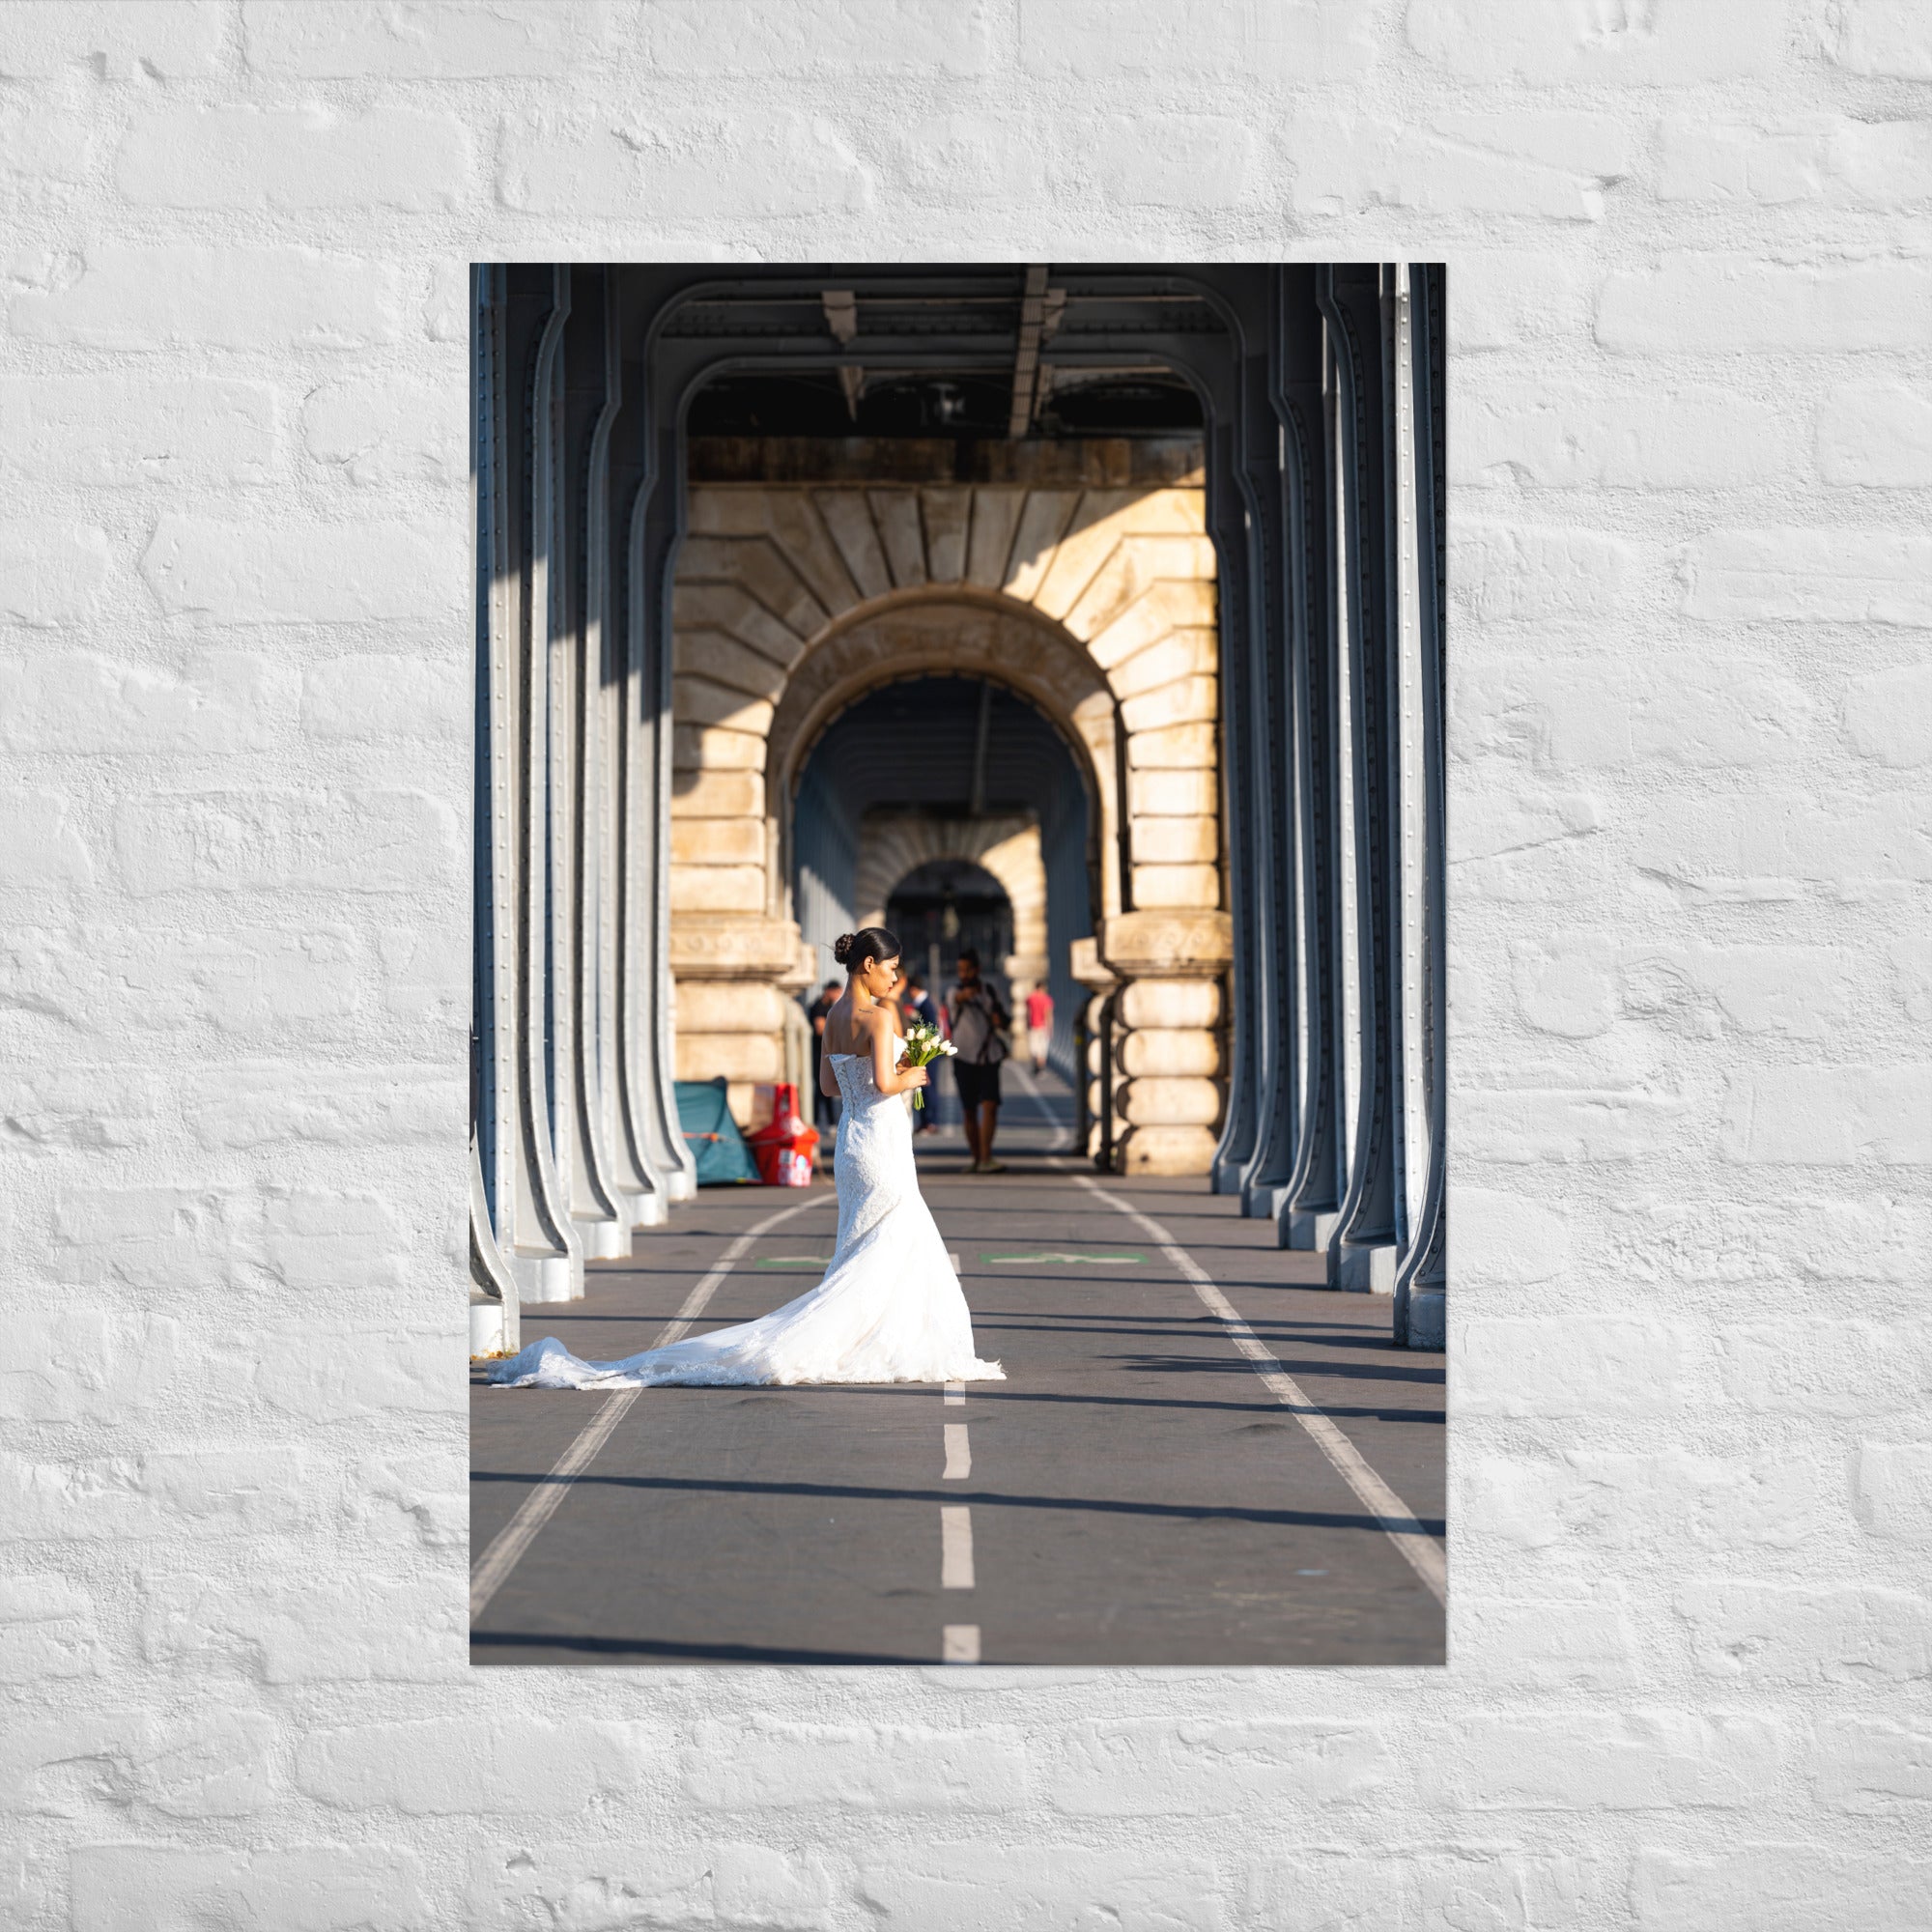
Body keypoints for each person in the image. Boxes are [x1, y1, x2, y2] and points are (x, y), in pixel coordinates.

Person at [486, 926, 1004, 1390]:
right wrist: (911, 1073)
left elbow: (829, 1085)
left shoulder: (834, 1017)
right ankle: (878, 1338)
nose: (896, 976)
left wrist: (880, 1078)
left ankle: (860, 1333)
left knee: (865, 1244)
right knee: (893, 1238)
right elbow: (889, 1083)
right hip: (883, 1147)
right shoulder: (878, 1016)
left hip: (853, 1143)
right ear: (869, 965)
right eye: (891, 967)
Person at [948, 948, 1009, 1175]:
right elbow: (955, 999)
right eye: (960, 970)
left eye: (967, 970)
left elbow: (1004, 1021)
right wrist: (966, 995)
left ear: (977, 970)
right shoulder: (954, 991)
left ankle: (986, 1156)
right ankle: (976, 1157)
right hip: (963, 1057)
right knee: (969, 1110)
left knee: (990, 1106)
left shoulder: (990, 991)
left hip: (988, 1057)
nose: (963, 974)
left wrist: (999, 1019)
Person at [902, 973, 942, 1134]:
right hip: (922, 1050)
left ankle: (931, 1121)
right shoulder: (923, 1003)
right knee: (922, 1086)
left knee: (929, 1087)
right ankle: (925, 1121)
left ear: (913, 989)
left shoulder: (925, 1004)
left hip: (927, 1051)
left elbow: (931, 1028)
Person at [807, 978, 841, 1130]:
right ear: (829, 991)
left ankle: (828, 1121)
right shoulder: (819, 1006)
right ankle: (819, 1120)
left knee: (825, 1089)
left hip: (824, 1051)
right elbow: (820, 1028)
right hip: (817, 1052)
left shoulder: (828, 1006)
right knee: (821, 1088)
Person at [1026, 980, 1054, 1073]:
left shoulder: (1030, 998)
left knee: (1034, 1046)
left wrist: (1027, 1023)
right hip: (1043, 1026)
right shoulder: (1046, 999)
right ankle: (1040, 1066)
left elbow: (1028, 1012)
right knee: (1042, 1047)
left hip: (1033, 1025)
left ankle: (1036, 1064)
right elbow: (1048, 1014)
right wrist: (1050, 1028)